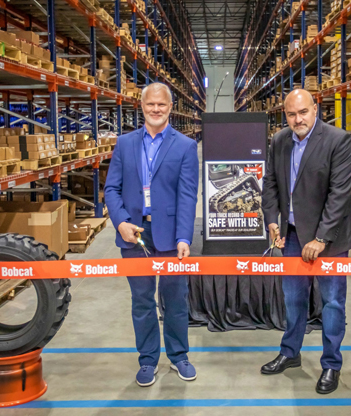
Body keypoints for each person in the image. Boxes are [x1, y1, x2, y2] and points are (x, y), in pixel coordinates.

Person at [260, 89, 351, 394]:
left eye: (303, 112)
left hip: (329, 239)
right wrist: (273, 221)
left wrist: (320, 238)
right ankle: (290, 353)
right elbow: (271, 183)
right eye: (291, 114)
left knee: (331, 303)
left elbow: (339, 195)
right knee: (293, 299)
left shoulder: (337, 140)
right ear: (284, 115)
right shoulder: (279, 141)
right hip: (290, 235)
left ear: (316, 109)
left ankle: (331, 364)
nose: (297, 119)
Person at [104, 82, 199, 387]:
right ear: (141, 107)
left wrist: (184, 237)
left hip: (171, 237)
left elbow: (187, 196)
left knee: (175, 299)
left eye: (162, 105)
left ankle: (179, 355)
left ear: (170, 108)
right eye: (150, 105)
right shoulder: (125, 144)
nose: (156, 109)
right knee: (142, 300)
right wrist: (120, 223)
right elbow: (111, 189)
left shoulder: (185, 146)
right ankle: (147, 359)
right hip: (135, 235)